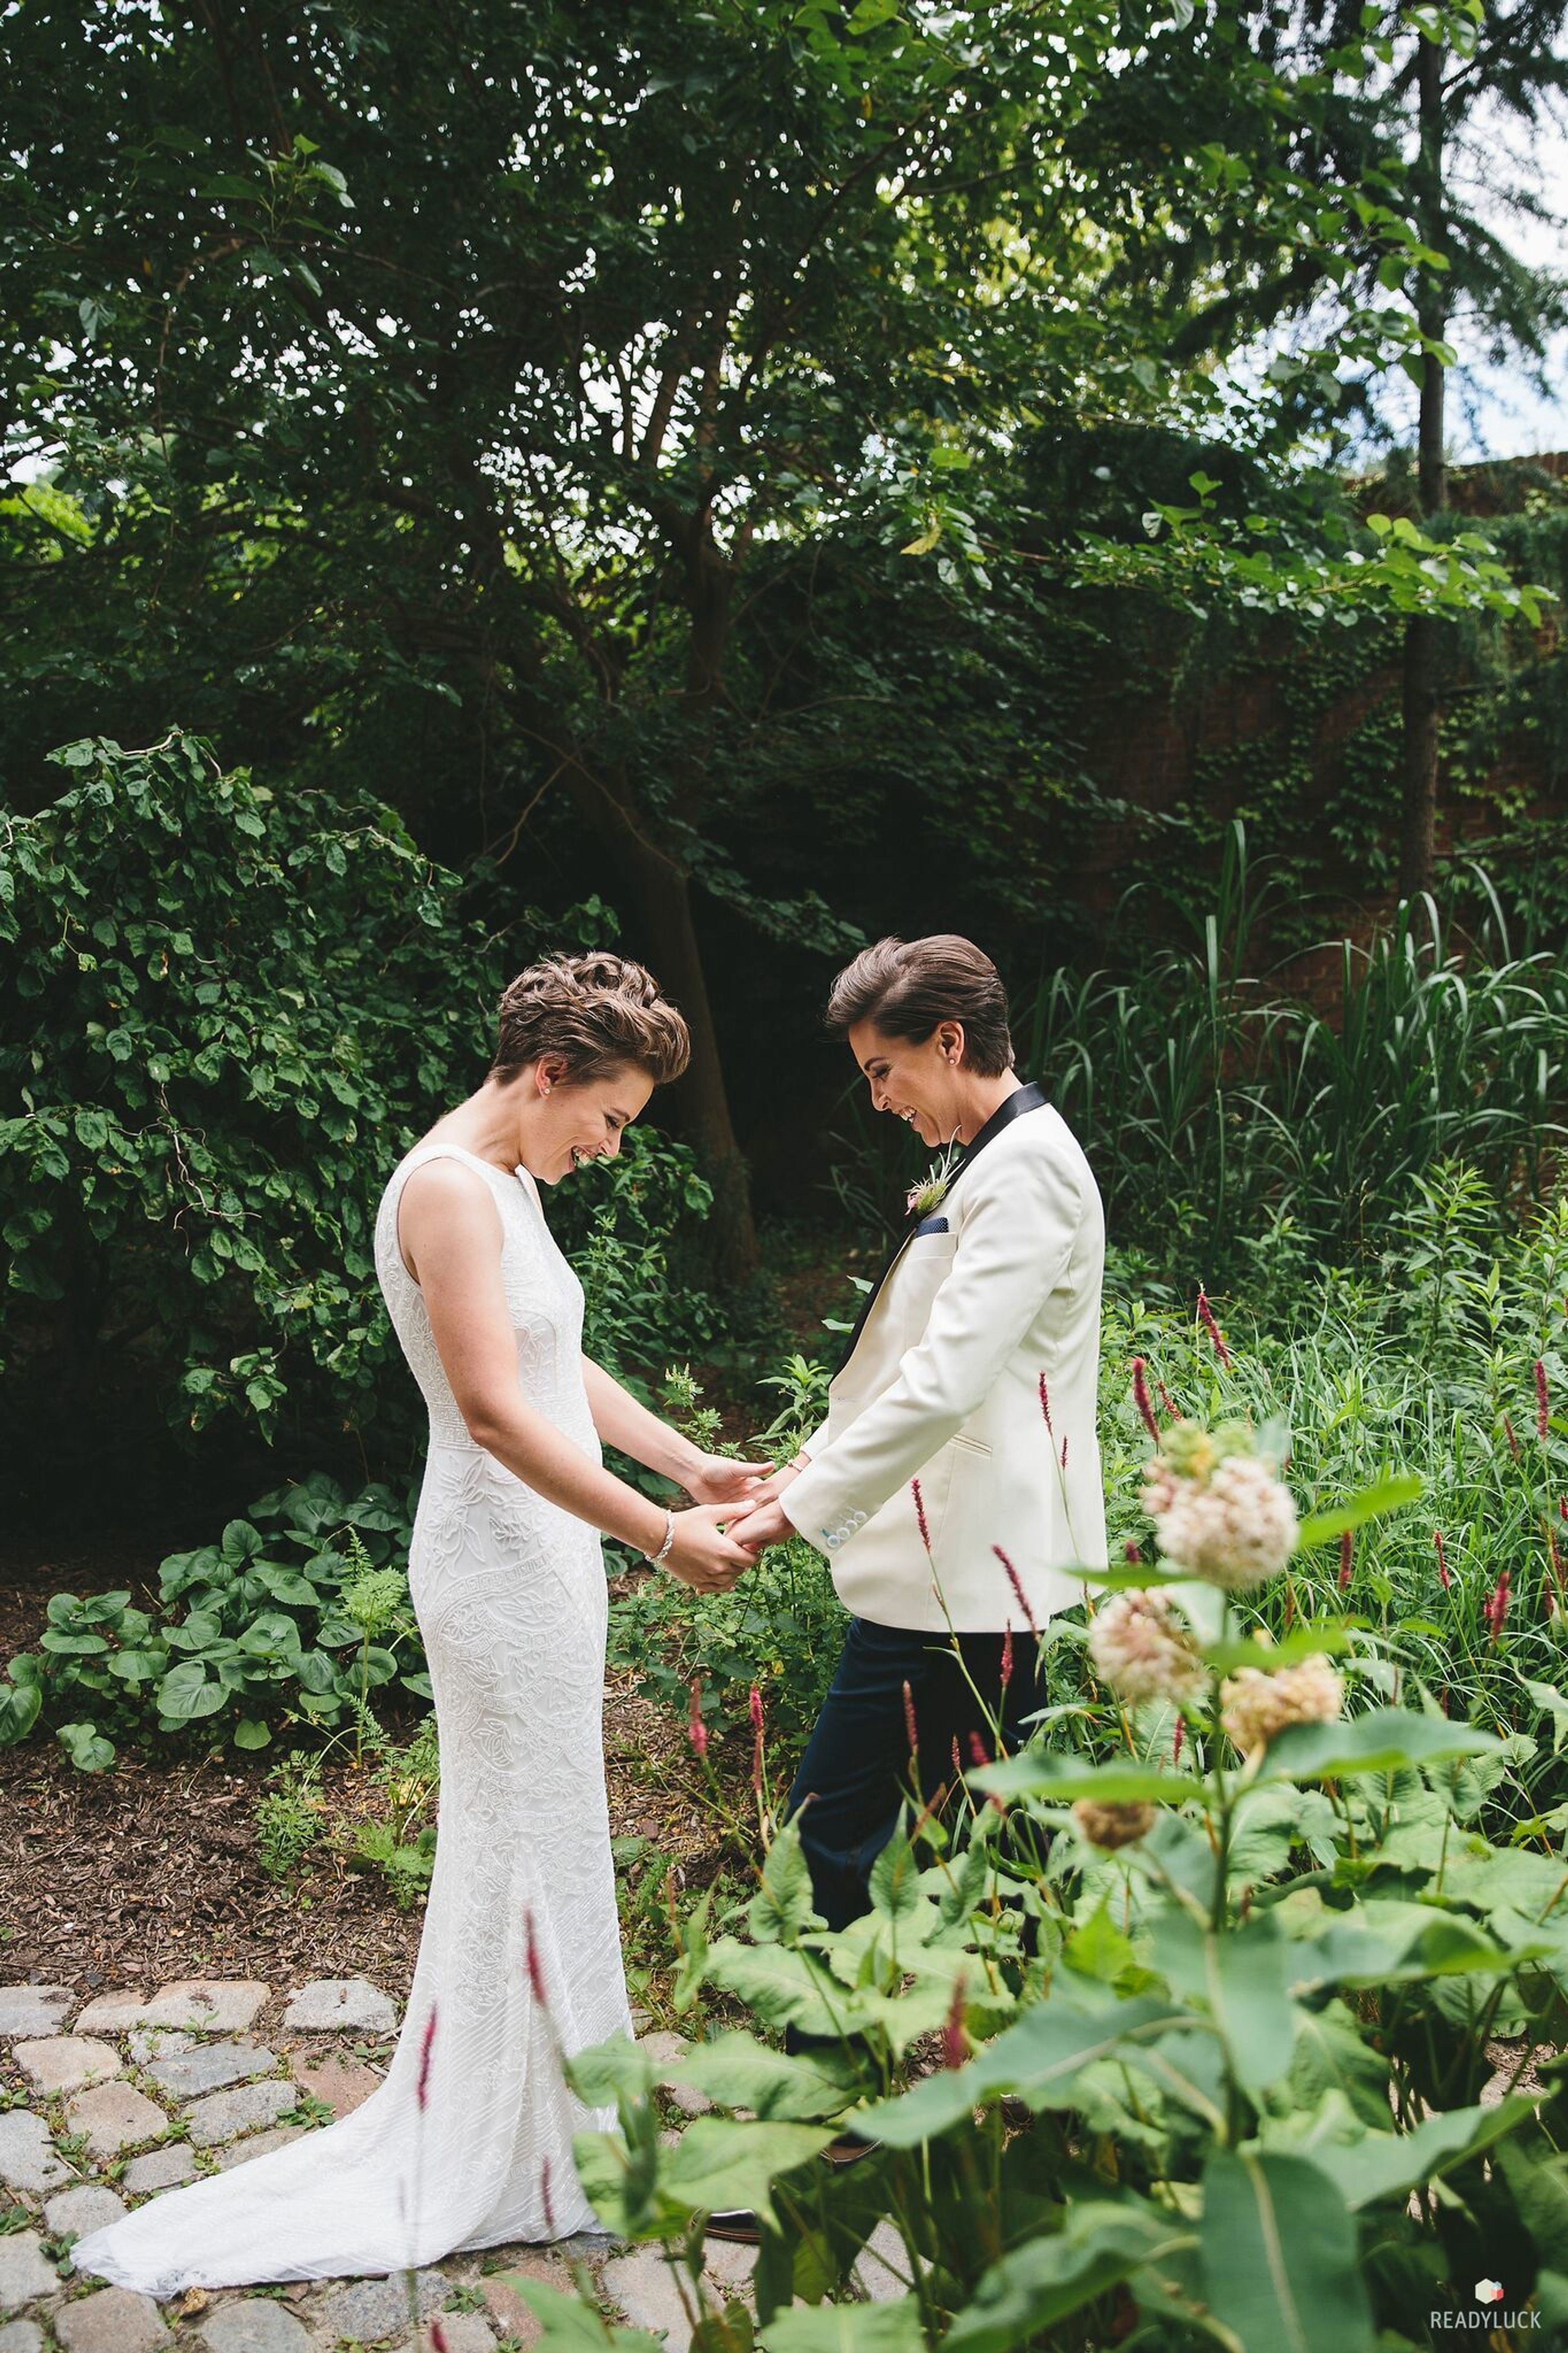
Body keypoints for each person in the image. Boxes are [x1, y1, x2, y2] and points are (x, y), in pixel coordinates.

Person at [76, 952, 760, 2292]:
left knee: (553, 1838)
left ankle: (566, 2136)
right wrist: (664, 1535)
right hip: (497, 1563)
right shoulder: (447, 1189)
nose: (613, 1146)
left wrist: (692, 1465)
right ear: (550, 1074)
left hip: (550, 1549)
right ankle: (517, 2146)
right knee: (518, 1836)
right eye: (610, 1116)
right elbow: (497, 1414)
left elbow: (556, 1357)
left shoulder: (504, 1179)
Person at [731, 933, 1107, 1934]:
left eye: (882, 1070)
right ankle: (1034, 2044)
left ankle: (827, 2053)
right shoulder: (989, 1161)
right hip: (959, 1564)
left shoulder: (1025, 1172)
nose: (879, 1097)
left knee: (832, 1831)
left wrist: (797, 1513)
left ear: (950, 1040)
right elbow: (909, 1358)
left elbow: (943, 1385)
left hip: (967, 1564)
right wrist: (804, 1464)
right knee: (998, 1830)